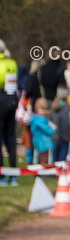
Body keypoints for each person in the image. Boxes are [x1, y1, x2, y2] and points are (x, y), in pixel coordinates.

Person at [0, 40, 19, 184]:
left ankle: (1, 176)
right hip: (11, 100)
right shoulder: (12, 63)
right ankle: (13, 176)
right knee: (11, 139)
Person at [28, 98, 55, 165]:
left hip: (39, 140)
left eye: (45, 109)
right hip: (42, 141)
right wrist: (52, 129)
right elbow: (46, 129)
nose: (44, 111)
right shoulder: (40, 120)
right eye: (42, 109)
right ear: (37, 109)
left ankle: (38, 169)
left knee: (38, 155)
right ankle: (43, 169)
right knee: (44, 157)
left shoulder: (36, 118)